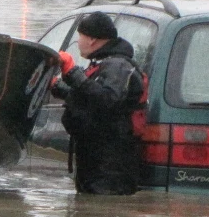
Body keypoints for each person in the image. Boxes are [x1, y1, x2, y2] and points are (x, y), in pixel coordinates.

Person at [51, 12, 145, 195]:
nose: (78, 42)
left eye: (80, 36)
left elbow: (107, 100)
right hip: (94, 165)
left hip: (110, 171)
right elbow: (90, 100)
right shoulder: (104, 64)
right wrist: (58, 88)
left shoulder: (118, 66)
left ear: (92, 39)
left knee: (102, 213)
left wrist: (72, 73)